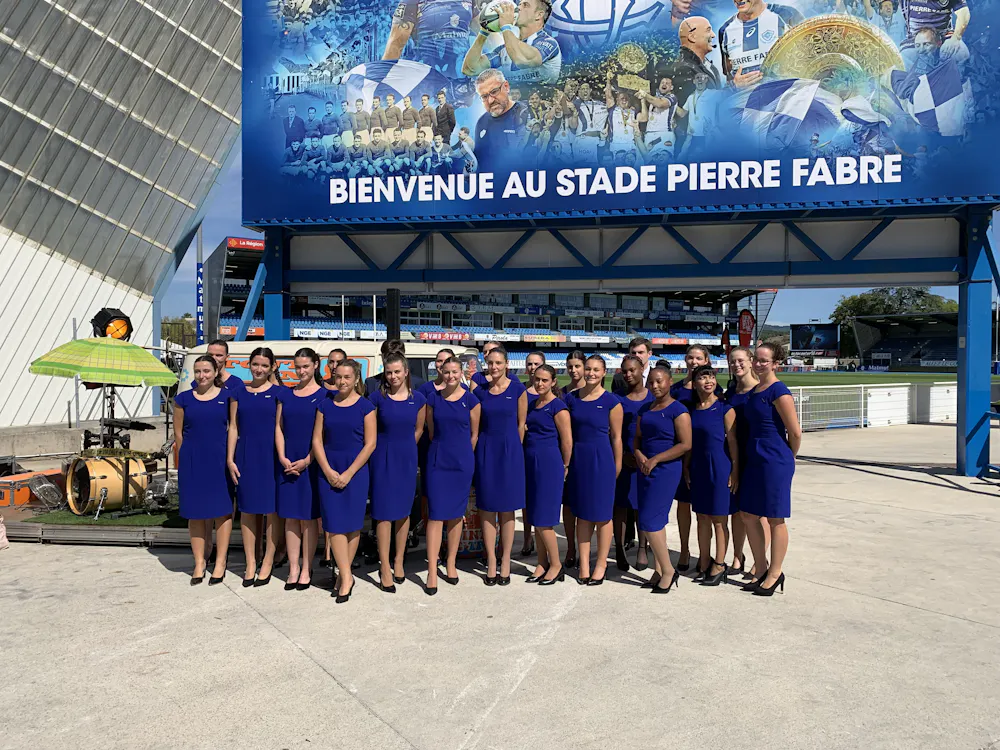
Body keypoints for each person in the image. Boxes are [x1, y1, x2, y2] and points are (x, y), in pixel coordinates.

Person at [313, 359, 377, 603]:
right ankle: (347, 574)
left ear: (356, 379)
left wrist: (350, 472)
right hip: (329, 469)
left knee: (352, 525)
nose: (341, 381)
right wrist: (328, 470)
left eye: (347, 377)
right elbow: (317, 441)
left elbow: (370, 444)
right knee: (335, 524)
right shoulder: (324, 405)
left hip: (356, 470)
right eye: (338, 376)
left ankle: (344, 575)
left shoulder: (366, 407)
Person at [741, 343, 801, 596]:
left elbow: (795, 432)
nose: (758, 363)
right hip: (754, 458)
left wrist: (787, 456)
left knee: (775, 518)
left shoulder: (779, 391)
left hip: (774, 459)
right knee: (748, 514)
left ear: (776, 363)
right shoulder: (755, 391)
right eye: (757, 359)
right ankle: (762, 567)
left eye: (765, 360)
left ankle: (775, 572)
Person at [368, 353, 426, 592]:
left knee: (403, 512)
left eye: (396, 372)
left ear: (405, 373)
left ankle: (399, 560)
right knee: (383, 514)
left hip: (406, 459)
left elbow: (419, 430)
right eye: (388, 372)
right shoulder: (376, 398)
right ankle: (384, 566)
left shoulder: (419, 399)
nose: (392, 377)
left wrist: (405, 451)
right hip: (382, 457)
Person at [424, 356, 481, 594]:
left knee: (456, 515)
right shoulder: (433, 399)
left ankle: (451, 562)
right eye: (446, 372)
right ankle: (432, 569)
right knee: (436, 515)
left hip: (461, 461)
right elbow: (430, 430)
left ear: (461, 373)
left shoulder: (471, 400)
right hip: (438, 459)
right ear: (441, 372)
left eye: (454, 372)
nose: (450, 376)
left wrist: (464, 456)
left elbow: (474, 434)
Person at [174, 355, 233, 585]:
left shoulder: (228, 397)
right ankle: (199, 561)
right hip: (193, 461)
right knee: (196, 512)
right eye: (198, 371)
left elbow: (233, 427)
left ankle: (220, 561)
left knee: (222, 511)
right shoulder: (183, 399)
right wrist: (186, 456)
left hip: (219, 461)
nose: (202, 375)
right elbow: (178, 434)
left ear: (216, 371)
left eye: (207, 371)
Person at [634, 366, 692, 593]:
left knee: (649, 520)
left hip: (665, 469)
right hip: (645, 467)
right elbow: (637, 439)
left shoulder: (678, 410)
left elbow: (685, 444)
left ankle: (668, 571)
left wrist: (656, 460)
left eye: (659, 381)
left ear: (670, 382)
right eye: (651, 382)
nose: (655, 386)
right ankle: (659, 570)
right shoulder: (645, 409)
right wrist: (639, 455)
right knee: (653, 522)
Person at [473, 346, 527, 585]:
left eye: (498, 363)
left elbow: (521, 425)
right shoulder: (479, 391)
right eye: (490, 363)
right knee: (487, 508)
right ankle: (491, 560)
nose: (494, 367)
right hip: (486, 450)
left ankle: (506, 559)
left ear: (506, 364)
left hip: (509, 452)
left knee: (507, 510)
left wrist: (514, 452)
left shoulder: (518, 389)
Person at [226, 347, 280, 587]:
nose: (259, 369)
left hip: (270, 456)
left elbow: (281, 428)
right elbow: (234, 427)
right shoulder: (238, 393)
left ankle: (267, 560)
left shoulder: (280, 393)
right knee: (247, 510)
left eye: (264, 366)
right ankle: (250, 562)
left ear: (272, 368)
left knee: (271, 512)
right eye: (256, 364)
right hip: (245, 455)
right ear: (249, 365)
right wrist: (230, 458)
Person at [567, 355, 623, 586]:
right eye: (588, 368)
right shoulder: (571, 399)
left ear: (604, 373)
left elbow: (617, 437)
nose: (590, 373)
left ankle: (601, 563)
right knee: (582, 514)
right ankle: (584, 564)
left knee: (602, 515)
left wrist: (617, 464)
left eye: (596, 370)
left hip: (602, 460)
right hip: (579, 459)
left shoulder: (612, 402)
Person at [684, 365, 739, 586]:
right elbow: (688, 443)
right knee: (701, 517)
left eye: (711, 376)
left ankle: (719, 563)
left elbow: (733, 442)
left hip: (719, 466)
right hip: (698, 467)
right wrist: (686, 466)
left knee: (719, 518)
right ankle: (704, 561)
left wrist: (735, 469)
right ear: (694, 382)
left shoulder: (725, 408)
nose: (708, 380)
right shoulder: (691, 410)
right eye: (703, 377)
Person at [275, 348, 325, 590]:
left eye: (306, 366)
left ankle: (307, 567)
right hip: (287, 462)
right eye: (298, 367)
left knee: (308, 519)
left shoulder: (325, 396)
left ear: (316, 365)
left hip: (311, 464)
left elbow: (324, 436)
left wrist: (308, 460)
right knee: (290, 518)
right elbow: (279, 427)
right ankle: (293, 567)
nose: (302, 371)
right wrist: (283, 456)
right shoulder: (286, 395)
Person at [670, 344, 719, 571]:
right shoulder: (677, 390)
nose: (694, 361)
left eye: (698, 357)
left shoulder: (713, 389)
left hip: (706, 454)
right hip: (683, 453)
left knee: (705, 510)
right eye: (690, 357)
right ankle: (684, 550)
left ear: (706, 360)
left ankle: (705, 554)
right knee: (683, 505)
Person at [523, 364, 572, 585]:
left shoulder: (558, 407)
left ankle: (556, 564)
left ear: (553, 382)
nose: (540, 383)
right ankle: (542, 562)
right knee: (535, 517)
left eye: (544, 380)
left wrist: (566, 465)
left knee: (545, 519)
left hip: (549, 464)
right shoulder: (532, 405)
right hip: (530, 462)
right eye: (537, 379)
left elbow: (567, 440)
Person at [725, 346, 766, 579]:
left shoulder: (760, 389)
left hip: (755, 454)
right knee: (737, 512)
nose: (737, 365)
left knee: (759, 513)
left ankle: (761, 560)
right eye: (733, 361)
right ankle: (737, 556)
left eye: (741, 360)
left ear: (750, 361)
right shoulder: (731, 391)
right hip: (734, 454)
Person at [614, 355, 654, 572]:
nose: (629, 375)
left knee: (642, 506)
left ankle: (642, 547)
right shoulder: (617, 398)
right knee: (620, 506)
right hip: (623, 458)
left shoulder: (652, 397)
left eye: (632, 370)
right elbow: (613, 432)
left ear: (641, 371)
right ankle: (619, 547)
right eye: (625, 371)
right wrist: (622, 457)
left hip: (646, 459)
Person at [462, 0, 562, 84]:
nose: (518, 7)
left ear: (539, 15)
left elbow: (522, 61)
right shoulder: (504, 49)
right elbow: (470, 69)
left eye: (525, 5)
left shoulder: (549, 43)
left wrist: (505, 26)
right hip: (516, 104)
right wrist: (484, 31)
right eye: (519, 4)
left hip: (543, 104)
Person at [718, 0, 803, 88]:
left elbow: (812, 56)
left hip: (786, 96)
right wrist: (735, 85)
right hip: (746, 99)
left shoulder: (787, 15)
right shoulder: (725, 30)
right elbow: (729, 78)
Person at [383, 0, 473, 76]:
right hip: (425, 78)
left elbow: (483, 32)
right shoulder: (412, 2)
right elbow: (395, 45)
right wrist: (380, 79)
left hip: (462, 79)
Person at [470, 69, 529, 172]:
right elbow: (479, 161)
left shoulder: (525, 113)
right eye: (484, 96)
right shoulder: (482, 122)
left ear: (506, 87)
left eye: (494, 92)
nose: (491, 100)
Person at [560, 349, 587, 568]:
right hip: (567, 454)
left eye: (578, 366)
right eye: (570, 366)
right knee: (568, 504)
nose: (574, 370)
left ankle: (585, 549)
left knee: (586, 505)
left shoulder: (593, 391)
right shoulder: (562, 393)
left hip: (588, 454)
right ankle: (571, 547)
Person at [520, 350, 546, 556]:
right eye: (529, 364)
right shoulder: (522, 393)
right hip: (523, 450)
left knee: (541, 497)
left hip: (544, 454)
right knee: (527, 497)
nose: (532, 367)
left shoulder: (554, 398)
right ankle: (528, 537)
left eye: (536, 364)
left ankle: (542, 536)